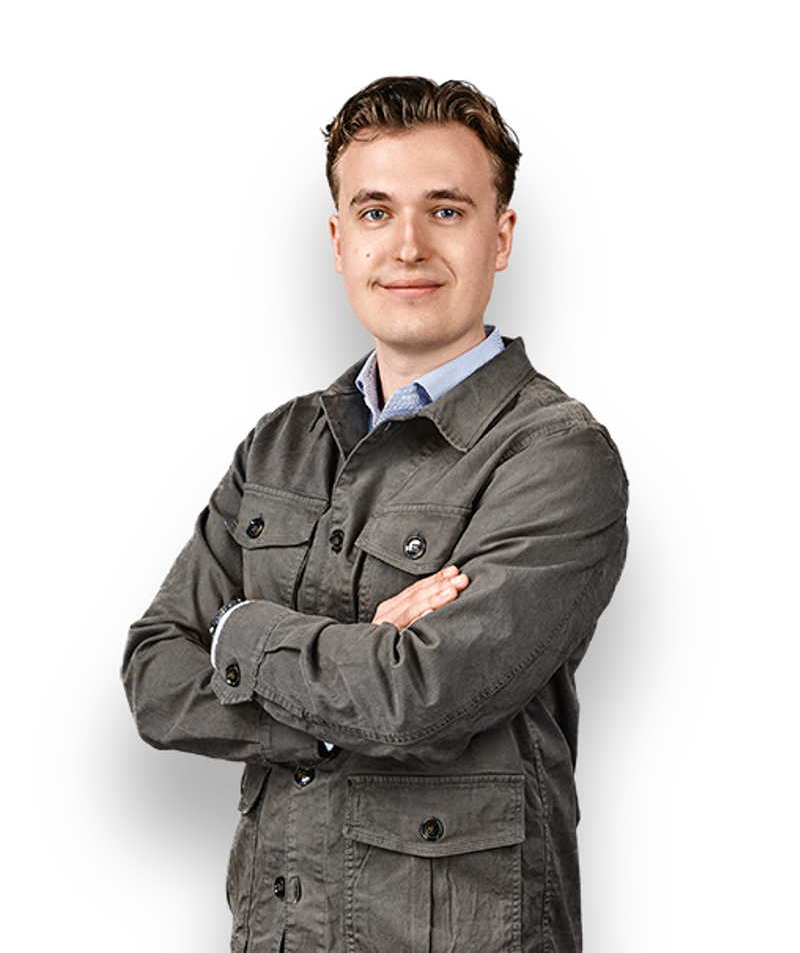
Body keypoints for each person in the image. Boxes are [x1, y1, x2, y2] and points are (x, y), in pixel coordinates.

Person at [121, 73, 630, 953]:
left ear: (501, 237)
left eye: (445, 210)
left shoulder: (557, 455)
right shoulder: (276, 442)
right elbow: (154, 677)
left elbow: (422, 698)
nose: (407, 246)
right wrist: (357, 677)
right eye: (375, 211)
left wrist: (239, 631)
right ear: (337, 241)